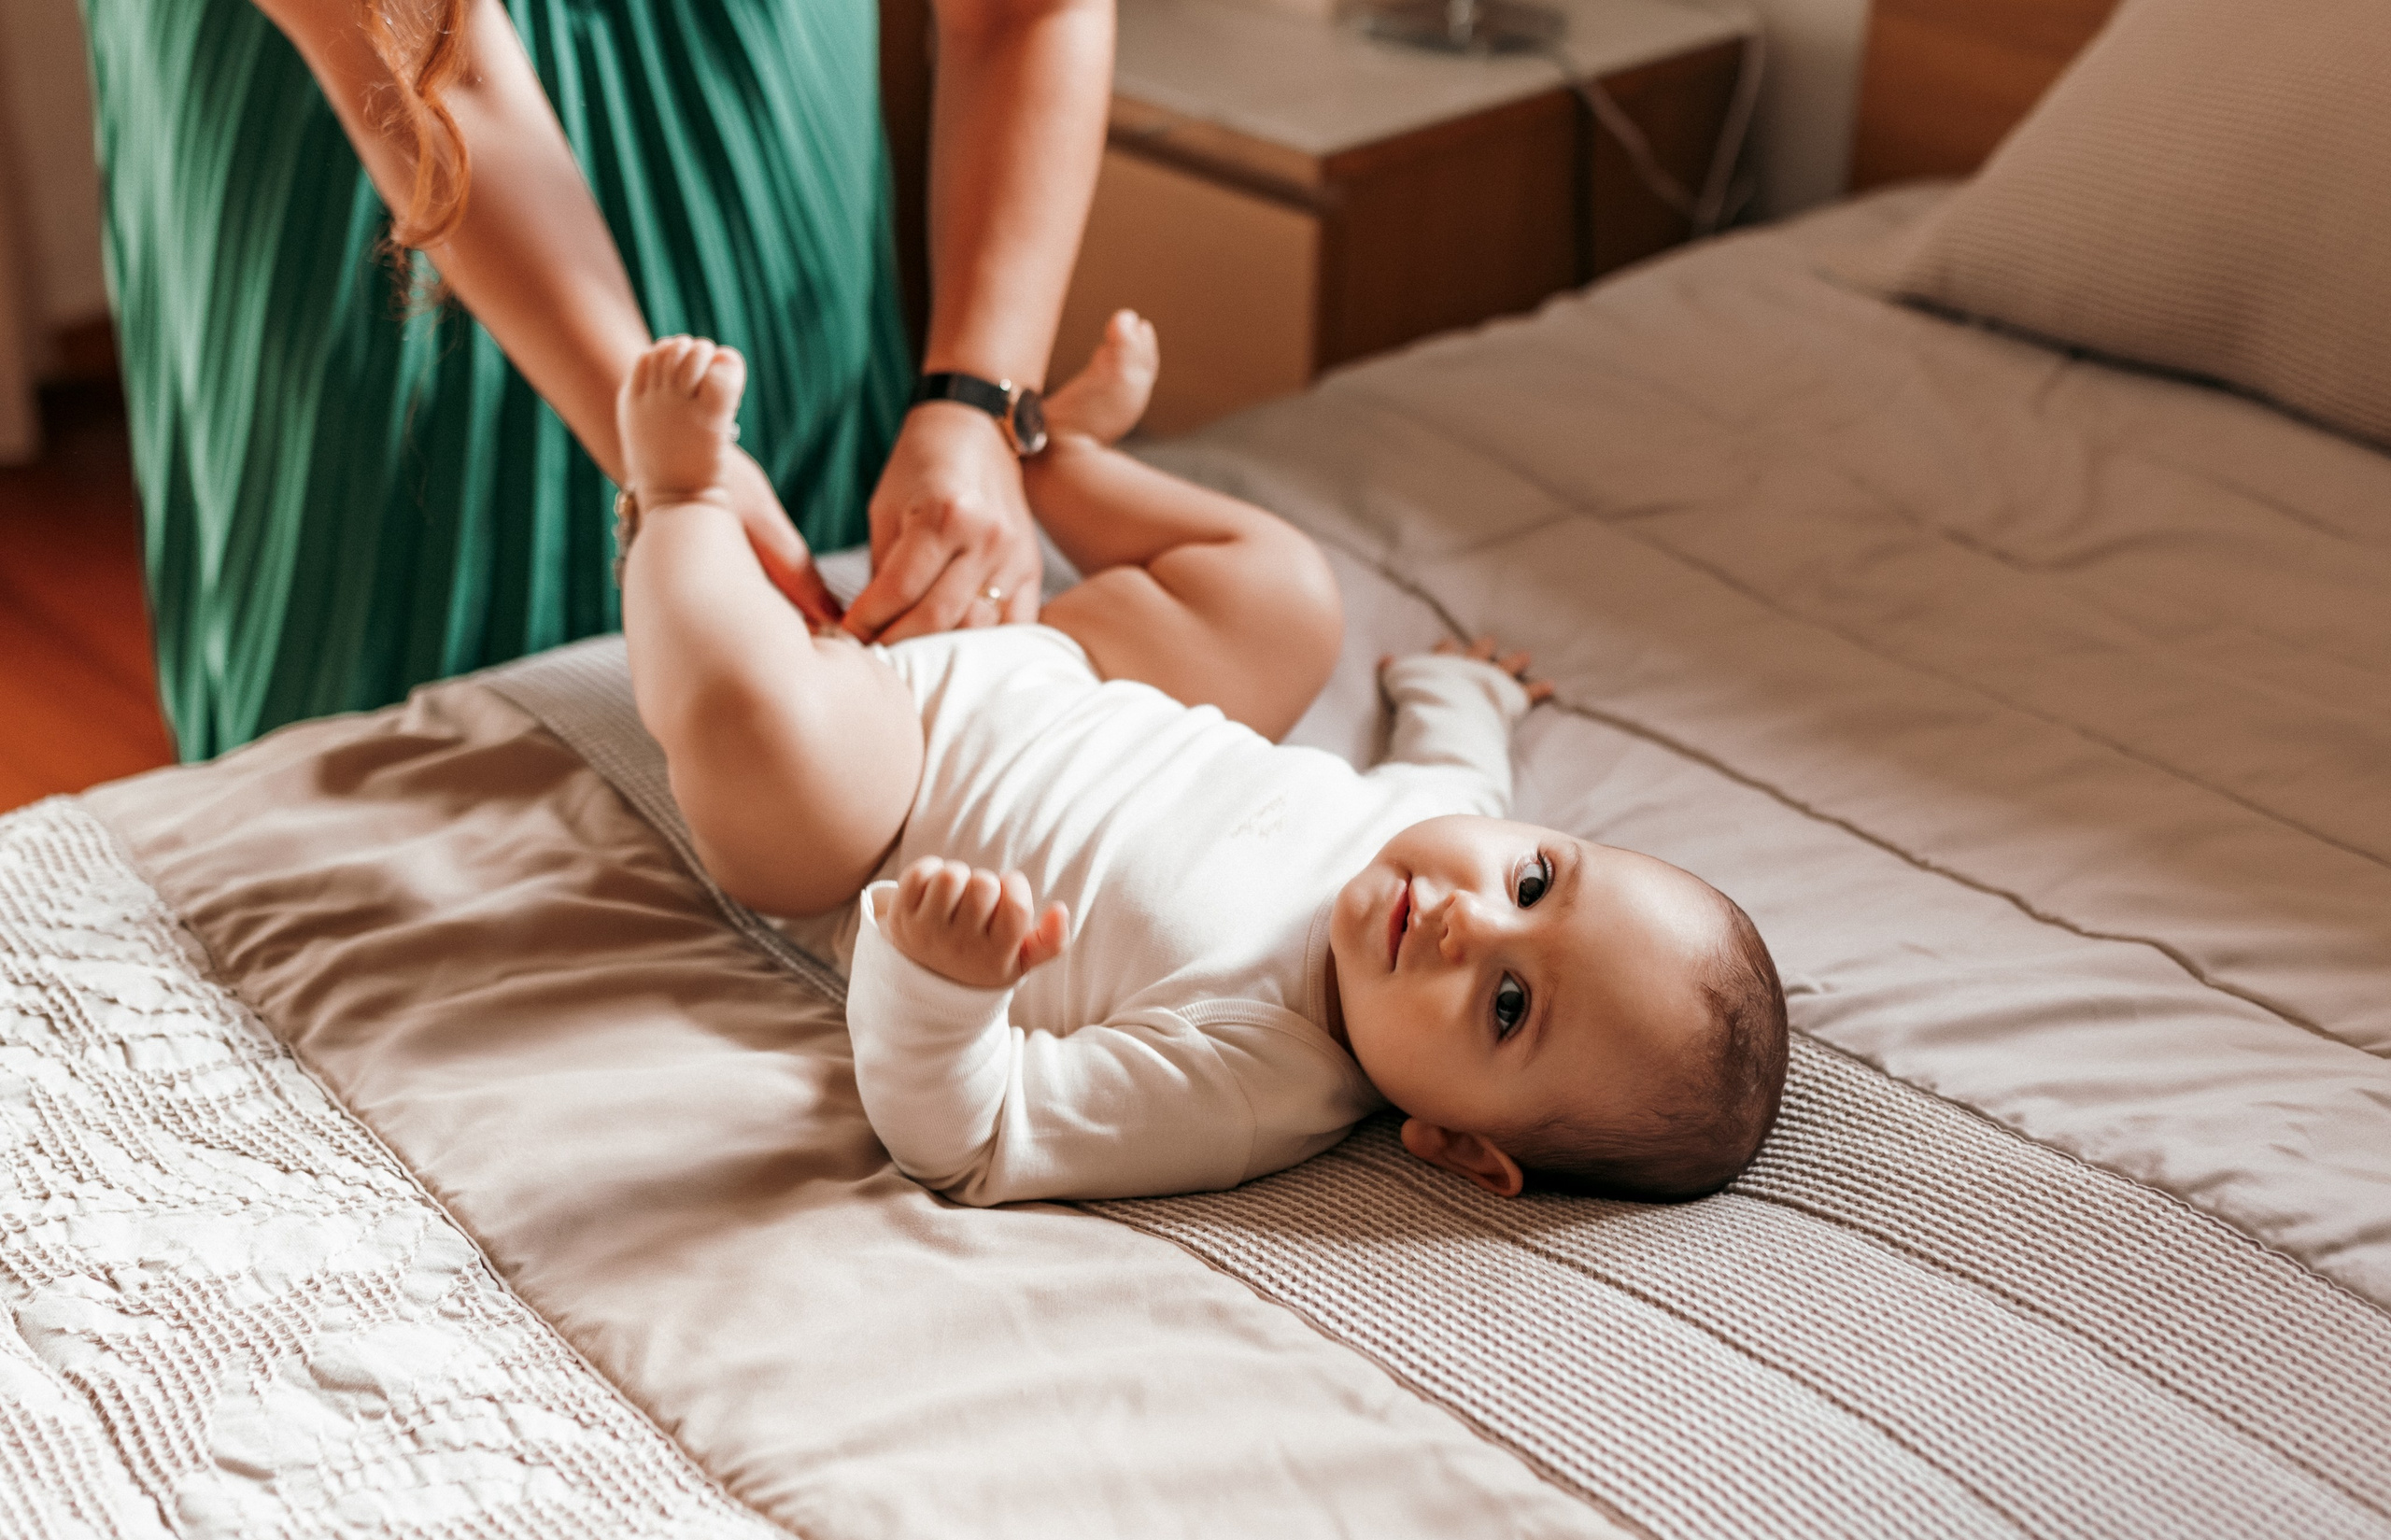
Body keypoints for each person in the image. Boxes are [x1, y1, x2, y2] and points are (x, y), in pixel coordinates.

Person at [615, 313, 1790, 1207]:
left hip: (883, 793)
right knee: (1287, 596)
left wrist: (938, 985)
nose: (1468, 923)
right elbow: (1460, 759)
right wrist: (1468, 686)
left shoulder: (1249, 1080)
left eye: (1508, 1003)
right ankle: (1052, 448)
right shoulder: (1430, 821)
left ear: (1458, 1143)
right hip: (1051, 670)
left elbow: (971, 1138)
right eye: (1535, 881)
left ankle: (675, 506)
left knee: (758, 738)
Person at [82, 0, 1107, 758]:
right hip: (363, 98)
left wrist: (976, 405)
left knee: (804, 710)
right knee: (390, 762)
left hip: (761, 81)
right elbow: (438, 65)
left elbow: (1019, 13)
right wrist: (677, 473)